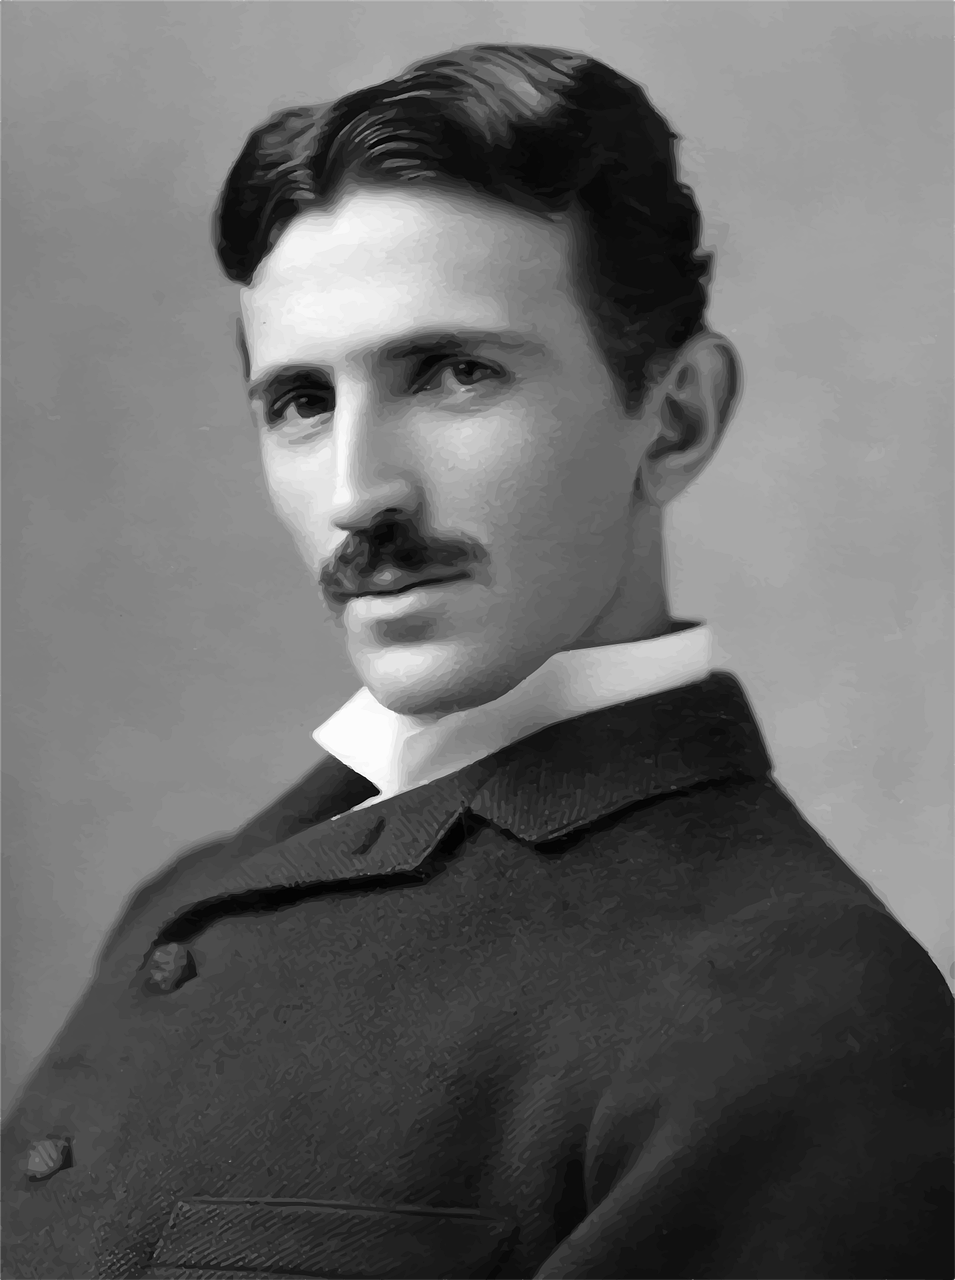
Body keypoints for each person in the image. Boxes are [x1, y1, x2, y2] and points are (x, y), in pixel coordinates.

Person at [2, 43, 951, 1280]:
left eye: (454, 372)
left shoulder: (806, 1010)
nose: (359, 493)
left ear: (672, 420)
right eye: (300, 401)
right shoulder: (193, 891)